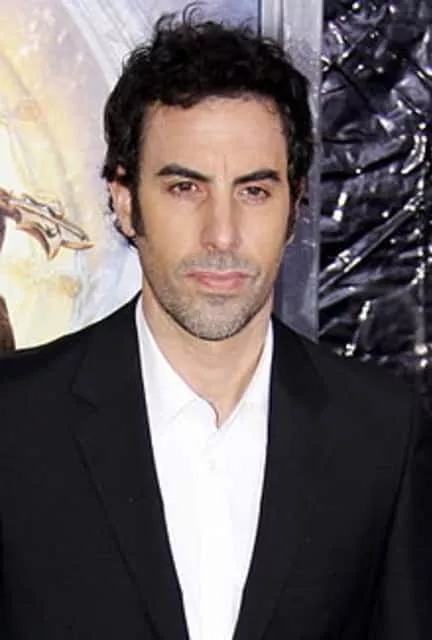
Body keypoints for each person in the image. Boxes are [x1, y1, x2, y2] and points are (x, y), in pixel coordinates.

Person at [0, 8, 429, 640]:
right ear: (124, 199)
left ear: (295, 204)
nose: (222, 234)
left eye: (254, 191)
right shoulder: (14, 424)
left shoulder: (380, 432)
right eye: (186, 188)